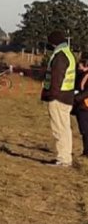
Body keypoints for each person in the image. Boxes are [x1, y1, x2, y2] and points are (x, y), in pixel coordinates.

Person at [41, 30, 76, 166]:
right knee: (65, 129)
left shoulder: (60, 56)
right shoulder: (69, 54)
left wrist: (50, 95)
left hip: (58, 98)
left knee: (59, 129)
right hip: (67, 97)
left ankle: (63, 160)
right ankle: (66, 157)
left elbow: (56, 78)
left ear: (53, 42)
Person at [73, 57, 88, 157]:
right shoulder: (80, 75)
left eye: (80, 66)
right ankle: (85, 150)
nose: (78, 68)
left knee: (85, 129)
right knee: (83, 129)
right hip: (81, 105)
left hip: (85, 105)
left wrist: (76, 98)